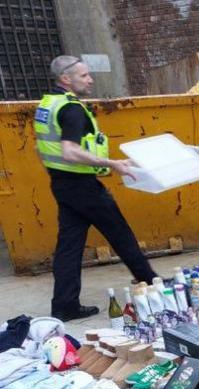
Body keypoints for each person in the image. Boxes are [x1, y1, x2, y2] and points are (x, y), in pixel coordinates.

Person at [34, 55, 157, 321]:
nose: (90, 80)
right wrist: (112, 163)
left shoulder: (47, 104)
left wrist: (58, 175)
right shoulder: (72, 109)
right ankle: (151, 281)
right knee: (120, 234)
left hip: (62, 184)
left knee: (69, 246)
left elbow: (40, 147)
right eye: (84, 76)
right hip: (83, 186)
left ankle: (64, 305)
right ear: (66, 79)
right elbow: (69, 151)